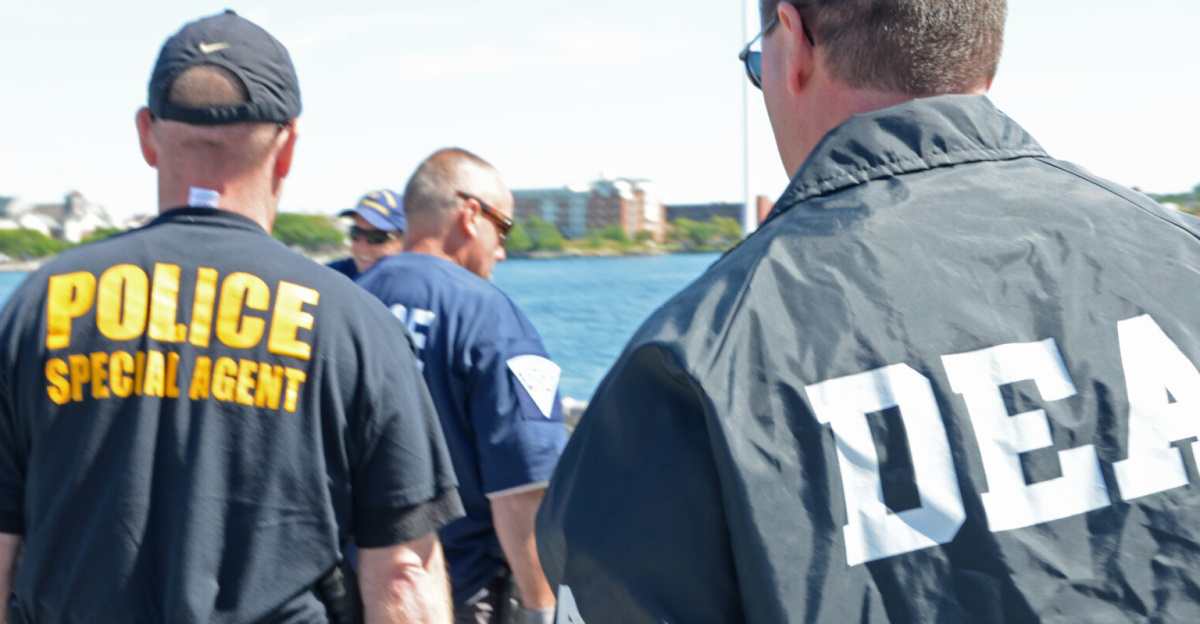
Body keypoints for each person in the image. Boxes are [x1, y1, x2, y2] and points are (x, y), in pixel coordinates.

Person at [535, 0, 1200, 622]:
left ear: (793, 46)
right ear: (984, 53)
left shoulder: (691, 369)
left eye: (755, 62)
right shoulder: (1180, 260)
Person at [0, 11, 463, 623]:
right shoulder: (356, 326)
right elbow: (403, 577)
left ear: (146, 134)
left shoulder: (37, 307)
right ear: (289, 145)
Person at [356, 148, 567, 624]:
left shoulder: (343, 305)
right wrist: (542, 610)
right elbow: (523, 489)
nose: (502, 249)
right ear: (471, 215)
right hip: (454, 595)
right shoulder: (494, 318)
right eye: (504, 228)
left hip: (346, 592)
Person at [327, 189, 407, 280]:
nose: (362, 247)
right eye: (356, 233)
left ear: (405, 240)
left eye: (377, 237)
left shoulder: (416, 288)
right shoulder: (330, 277)